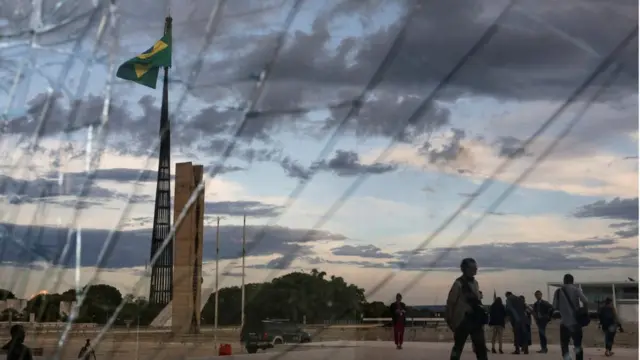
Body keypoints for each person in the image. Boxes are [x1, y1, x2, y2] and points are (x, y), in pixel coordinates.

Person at [445, 258, 488, 360]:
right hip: (463, 320)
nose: (476, 269)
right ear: (465, 269)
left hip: (475, 319)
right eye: (473, 267)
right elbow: (450, 303)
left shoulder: (475, 283)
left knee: (481, 348)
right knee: (458, 347)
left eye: (476, 267)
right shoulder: (458, 284)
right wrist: (450, 320)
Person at [552, 273, 589, 360]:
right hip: (576, 323)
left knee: (564, 345)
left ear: (564, 281)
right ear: (572, 281)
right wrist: (584, 311)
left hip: (564, 323)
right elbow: (586, 301)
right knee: (577, 345)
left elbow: (555, 306)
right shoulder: (576, 290)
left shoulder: (558, 292)